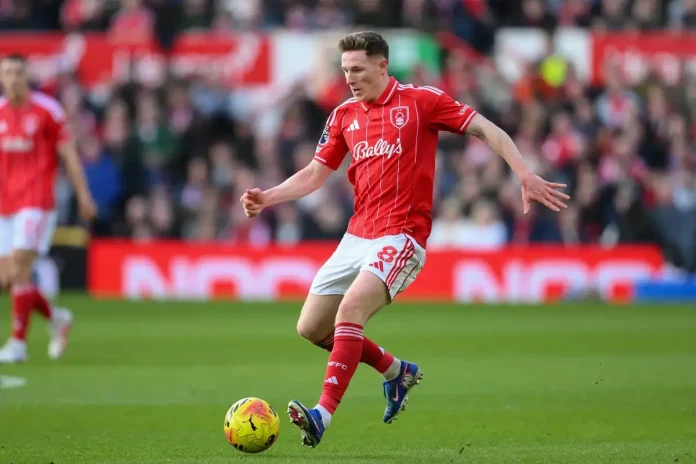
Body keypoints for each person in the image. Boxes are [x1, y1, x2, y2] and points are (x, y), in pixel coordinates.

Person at [239, 32, 569, 448]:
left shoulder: (420, 102)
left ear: (382, 66)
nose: (349, 78)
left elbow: (486, 129)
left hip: (401, 236)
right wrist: (267, 197)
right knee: (310, 327)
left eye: (357, 69)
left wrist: (524, 174)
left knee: (350, 311)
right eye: (345, 70)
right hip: (356, 235)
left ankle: (321, 415)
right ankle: (397, 372)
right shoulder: (343, 115)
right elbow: (315, 174)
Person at [0, 54, 97, 363]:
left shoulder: (47, 111)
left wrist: (83, 195)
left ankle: (17, 345)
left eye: (18, 72)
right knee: (8, 278)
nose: (13, 78)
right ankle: (56, 317)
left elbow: (68, 154)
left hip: (37, 201)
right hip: (5, 203)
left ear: (27, 76)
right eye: (7, 73)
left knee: (20, 265)